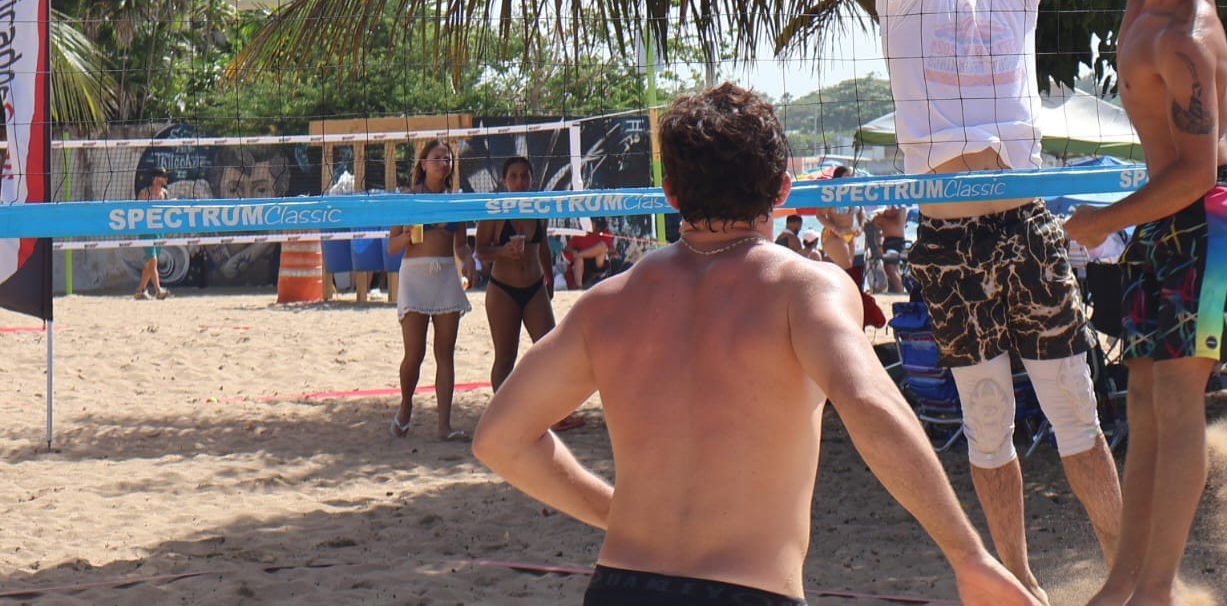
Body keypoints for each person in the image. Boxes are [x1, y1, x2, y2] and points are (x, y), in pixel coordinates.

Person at [473, 83, 1035, 606]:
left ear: (670, 190)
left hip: (621, 583)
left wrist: (615, 511)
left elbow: (499, 438)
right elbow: (870, 405)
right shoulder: (804, 290)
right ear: (784, 189)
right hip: (749, 588)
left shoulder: (607, 303)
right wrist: (968, 554)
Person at [981, 0, 1227, 606]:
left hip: (1208, 223)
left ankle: (1154, 590)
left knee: (1177, 409)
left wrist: (1105, 219)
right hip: (1170, 218)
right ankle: (1130, 586)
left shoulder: (1186, 38)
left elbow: (1199, 169)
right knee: (1142, 404)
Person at [881, 0, 1150, 598]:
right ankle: (1019, 585)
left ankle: (1129, 580)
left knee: (1076, 413)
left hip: (1024, 226)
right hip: (950, 242)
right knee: (987, 426)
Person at [472, 155, 584, 431]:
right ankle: (502, 417)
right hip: (503, 290)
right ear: (504, 181)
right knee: (505, 356)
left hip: (534, 286)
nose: (520, 180)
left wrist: (548, 277)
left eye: (524, 175)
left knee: (550, 351)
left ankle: (556, 414)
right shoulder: (496, 210)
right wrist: (502, 251)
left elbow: (543, 245)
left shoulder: (537, 207)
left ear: (531, 178)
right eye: (514, 176)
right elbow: (480, 251)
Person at [387, 139, 472, 441]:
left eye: (447, 159)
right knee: (415, 354)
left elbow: (460, 245)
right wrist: (410, 235)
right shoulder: (408, 199)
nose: (443, 163)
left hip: (445, 275)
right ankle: (406, 406)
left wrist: (469, 259)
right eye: (437, 158)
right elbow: (393, 245)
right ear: (423, 163)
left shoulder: (454, 201)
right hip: (415, 276)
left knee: (445, 353)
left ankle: (444, 426)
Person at [134, 169, 170, 300]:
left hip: (159, 231)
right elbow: (137, 213)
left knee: (149, 263)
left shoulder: (164, 194)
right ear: (155, 178)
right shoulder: (144, 193)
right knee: (153, 261)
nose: (167, 179)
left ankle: (140, 291)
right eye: (164, 176)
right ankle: (158, 290)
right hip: (146, 231)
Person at [873, 204, 909, 294]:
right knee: (893, 269)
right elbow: (877, 222)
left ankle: (900, 291)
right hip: (889, 241)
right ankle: (900, 290)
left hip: (895, 241)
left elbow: (897, 224)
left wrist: (882, 220)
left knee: (890, 269)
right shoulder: (891, 206)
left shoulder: (901, 207)